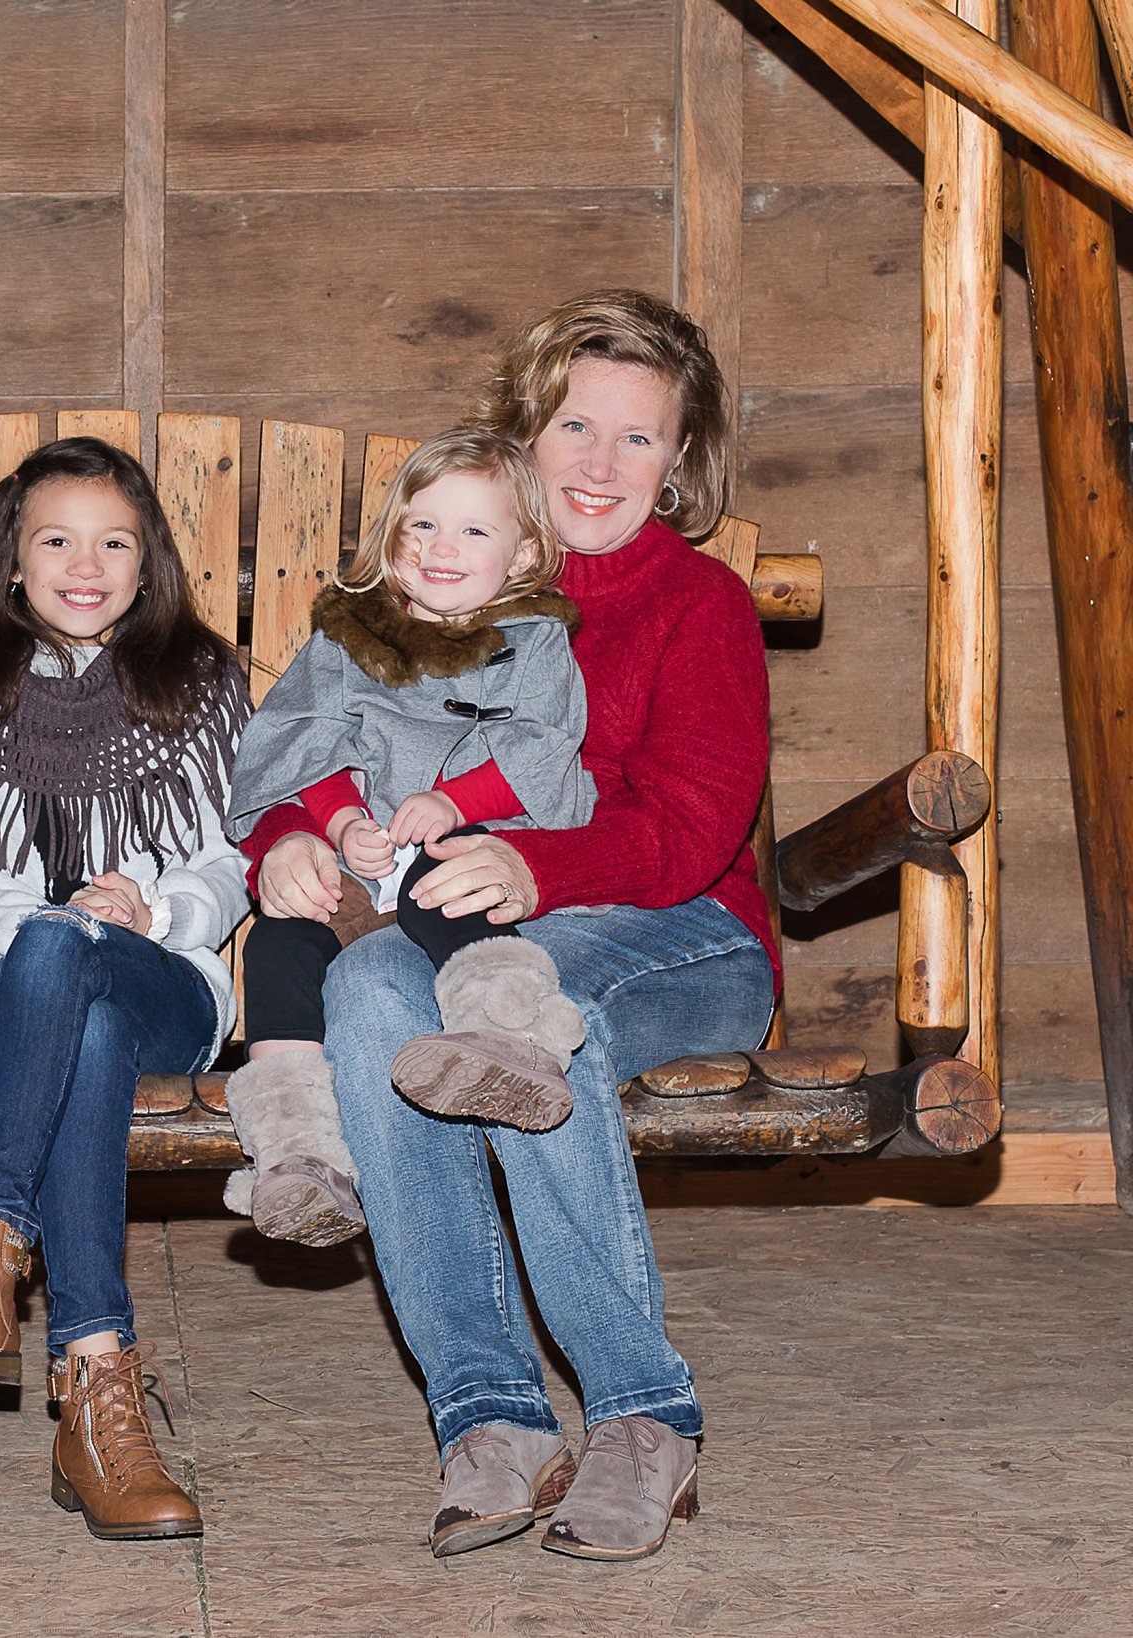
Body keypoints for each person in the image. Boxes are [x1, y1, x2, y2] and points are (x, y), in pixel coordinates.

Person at [242, 289, 776, 1563]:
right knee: (370, 993)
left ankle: (643, 1414)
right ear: (518, 441)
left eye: (637, 439)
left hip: (678, 931)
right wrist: (294, 842)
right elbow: (324, 744)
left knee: (543, 1016)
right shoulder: (437, 588)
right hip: (442, 918)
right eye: (572, 427)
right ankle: (487, 1416)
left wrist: (532, 866)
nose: (599, 465)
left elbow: (695, 825)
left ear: (680, 463)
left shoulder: (694, 603)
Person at [0, 437, 250, 1543]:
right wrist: (49, 926)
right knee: (68, 991)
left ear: (147, 560)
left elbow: (231, 853)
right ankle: (96, 1385)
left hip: (163, 975)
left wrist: (157, 911)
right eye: (56, 540)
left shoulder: (201, 680)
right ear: (9, 563)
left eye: (115, 541)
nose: (87, 563)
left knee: (95, 981)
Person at [219, 428, 593, 1249]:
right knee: (279, 942)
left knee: (447, 873)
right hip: (361, 860)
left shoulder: (533, 643)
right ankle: (296, 1152)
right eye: (421, 526)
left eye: (473, 531)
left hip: (460, 848)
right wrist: (340, 819)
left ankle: (505, 1037)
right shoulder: (348, 637)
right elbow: (297, 739)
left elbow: (544, 745)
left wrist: (458, 802)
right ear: (392, 539)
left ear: (524, 554)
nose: (441, 548)